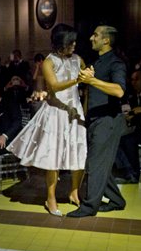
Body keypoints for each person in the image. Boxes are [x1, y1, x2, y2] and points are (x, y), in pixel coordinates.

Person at [7, 24, 87, 216]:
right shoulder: (49, 62)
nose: (74, 45)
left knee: (79, 152)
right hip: (56, 113)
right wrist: (78, 80)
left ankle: (74, 192)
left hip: (74, 112)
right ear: (61, 42)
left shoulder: (78, 59)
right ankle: (50, 197)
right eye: (71, 41)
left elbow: (88, 82)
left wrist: (84, 105)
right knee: (54, 156)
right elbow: (55, 86)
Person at [67, 25, 127, 218]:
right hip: (95, 120)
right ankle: (117, 200)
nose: (91, 38)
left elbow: (119, 91)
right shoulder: (98, 62)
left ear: (106, 40)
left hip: (108, 121)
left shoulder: (116, 63)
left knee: (94, 164)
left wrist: (91, 81)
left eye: (95, 35)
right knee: (100, 164)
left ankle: (89, 207)